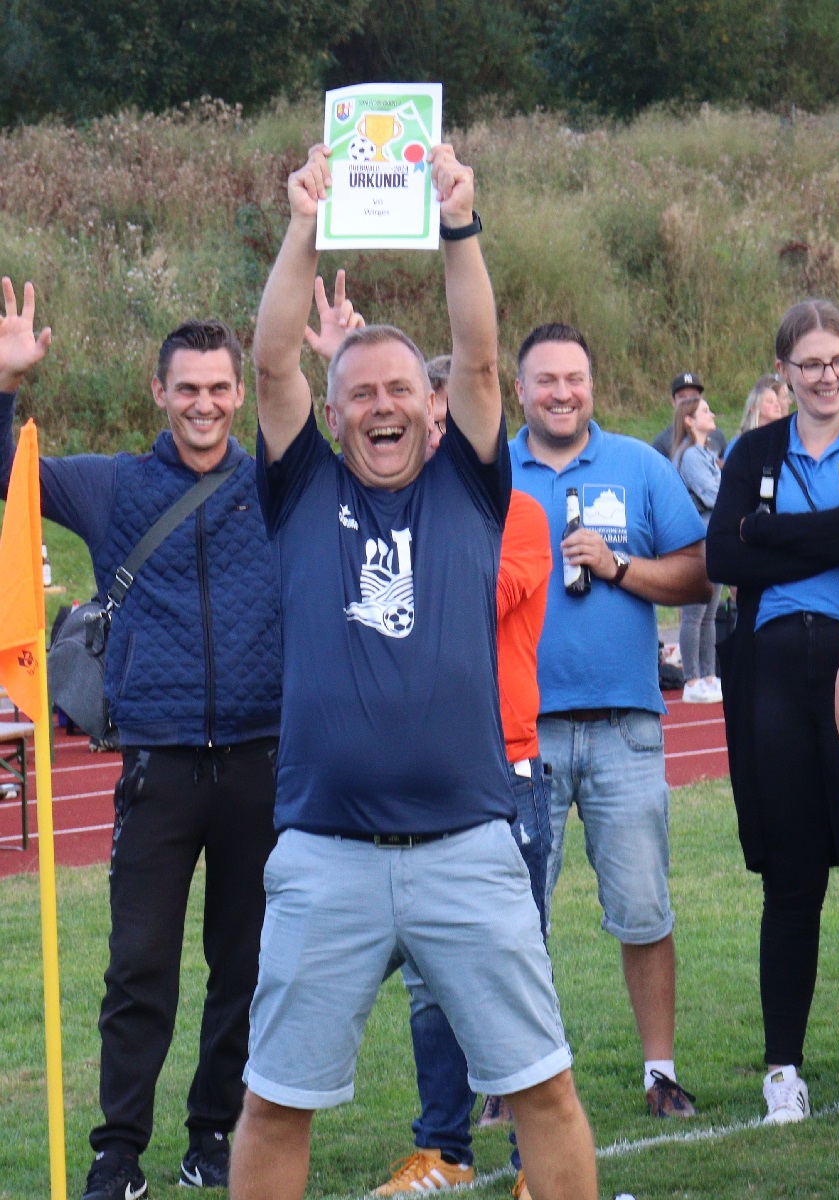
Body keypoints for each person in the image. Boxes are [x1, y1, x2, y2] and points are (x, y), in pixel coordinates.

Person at [232, 144, 596, 1200]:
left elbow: (481, 358)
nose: (384, 406)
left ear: (433, 412)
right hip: (326, 855)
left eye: (403, 389)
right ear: (334, 413)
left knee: (544, 1092)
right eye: (362, 393)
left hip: (467, 849)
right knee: (274, 1099)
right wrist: (304, 224)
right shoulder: (299, 493)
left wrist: (459, 226)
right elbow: (269, 366)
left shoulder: (470, 492)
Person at [0, 284, 283, 1200]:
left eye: (219, 389)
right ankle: (117, 1152)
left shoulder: (275, 482)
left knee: (244, 966)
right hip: (157, 768)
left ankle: (215, 1132)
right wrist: (4, 386)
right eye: (187, 389)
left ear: (241, 394)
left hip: (259, 761)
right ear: (157, 392)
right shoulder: (117, 485)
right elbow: (10, 476)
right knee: (139, 968)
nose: (204, 405)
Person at [707, 298, 839, 1129]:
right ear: (784, 373)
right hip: (772, 678)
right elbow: (722, 554)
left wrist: (774, 532)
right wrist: (838, 526)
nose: (827, 377)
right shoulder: (755, 446)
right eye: (810, 364)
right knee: (790, 882)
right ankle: (781, 1070)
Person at [511, 321, 711, 1118]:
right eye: (546, 379)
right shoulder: (493, 471)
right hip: (521, 731)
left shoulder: (639, 464)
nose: (562, 392)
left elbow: (700, 575)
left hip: (626, 725)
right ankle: (510, 1076)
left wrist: (620, 566)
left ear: (593, 385)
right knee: (514, 914)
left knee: (642, 908)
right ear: (519, 390)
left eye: (575, 378)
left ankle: (658, 1071)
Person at [670, 391, 724, 703]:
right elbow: (712, 495)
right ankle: (691, 679)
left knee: (709, 614)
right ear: (689, 421)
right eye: (705, 410)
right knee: (694, 613)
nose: (712, 414)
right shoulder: (690, 456)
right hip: (697, 540)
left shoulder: (706, 453)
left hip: (712, 537)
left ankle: (708, 675)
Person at [651, 371, 727, 458]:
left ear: (701, 399)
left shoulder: (717, 435)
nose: (688, 401)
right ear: (673, 401)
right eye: (682, 397)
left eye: (694, 396)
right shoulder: (663, 442)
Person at [728, 373, 790, 460]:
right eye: (770, 401)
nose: (777, 405)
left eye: (777, 401)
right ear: (754, 407)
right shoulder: (740, 443)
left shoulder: (786, 441)